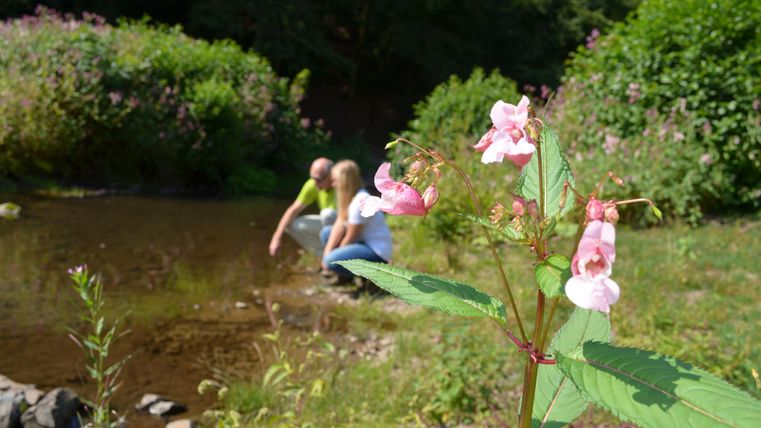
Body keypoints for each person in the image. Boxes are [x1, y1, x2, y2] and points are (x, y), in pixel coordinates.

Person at [320, 160, 392, 282]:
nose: (333, 185)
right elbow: (339, 224)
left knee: (331, 261)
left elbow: (350, 238)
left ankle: (372, 279)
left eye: (334, 181)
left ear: (344, 182)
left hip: (377, 253)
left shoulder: (360, 202)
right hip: (365, 244)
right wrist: (326, 252)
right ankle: (345, 277)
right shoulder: (353, 198)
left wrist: (329, 259)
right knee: (327, 232)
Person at [269, 157, 337, 257]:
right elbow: (293, 210)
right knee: (293, 225)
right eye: (312, 178)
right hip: (330, 226)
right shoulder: (312, 184)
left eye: (318, 179)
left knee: (327, 214)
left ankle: (337, 255)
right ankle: (326, 257)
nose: (315, 183)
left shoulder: (343, 185)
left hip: (347, 227)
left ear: (331, 175)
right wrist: (276, 238)